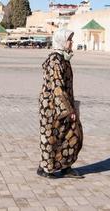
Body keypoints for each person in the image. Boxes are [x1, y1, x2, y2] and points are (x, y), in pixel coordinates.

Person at [37, 29, 84, 179]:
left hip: (63, 103)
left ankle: (65, 166)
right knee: (51, 137)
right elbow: (57, 87)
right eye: (69, 40)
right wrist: (68, 111)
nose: (72, 43)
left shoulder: (64, 58)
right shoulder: (55, 60)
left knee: (70, 134)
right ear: (62, 41)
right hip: (52, 106)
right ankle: (46, 169)